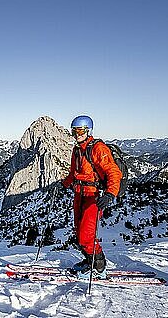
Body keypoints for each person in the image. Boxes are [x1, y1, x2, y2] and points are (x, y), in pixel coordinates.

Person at [62, 115, 122, 279]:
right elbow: (74, 174)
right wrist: (63, 184)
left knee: (86, 235)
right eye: (74, 131)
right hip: (79, 195)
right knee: (79, 233)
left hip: (94, 197)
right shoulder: (77, 150)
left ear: (88, 130)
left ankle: (100, 268)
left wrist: (110, 193)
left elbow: (113, 172)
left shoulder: (98, 148)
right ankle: (90, 261)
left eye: (80, 130)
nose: (76, 134)